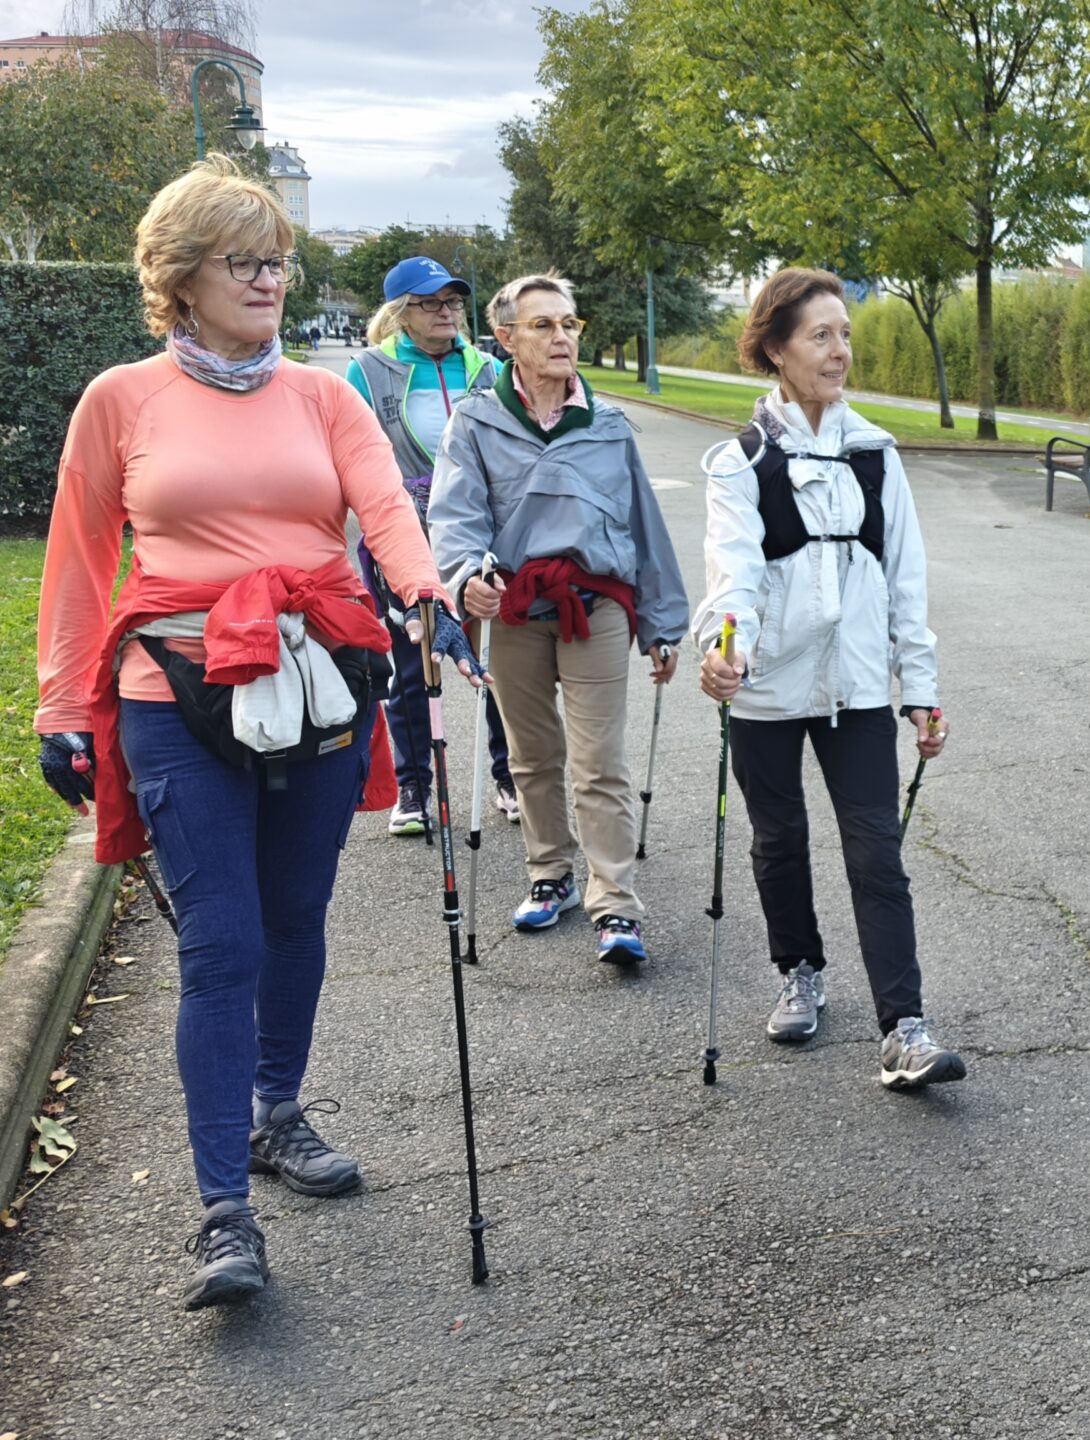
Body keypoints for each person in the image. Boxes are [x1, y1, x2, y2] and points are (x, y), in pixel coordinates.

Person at [33, 157, 476, 1309]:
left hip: (321, 682)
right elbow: (81, 560)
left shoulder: (327, 398)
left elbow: (383, 508)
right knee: (221, 943)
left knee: (295, 918)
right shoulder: (120, 401)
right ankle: (224, 1210)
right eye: (244, 259)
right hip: (170, 693)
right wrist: (58, 707)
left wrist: (425, 589)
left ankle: (279, 1111)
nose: (269, 277)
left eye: (277, 257)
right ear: (179, 279)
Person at [693, 268, 966, 1088]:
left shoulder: (877, 457)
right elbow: (731, 575)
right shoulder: (739, 464)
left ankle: (904, 1029)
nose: (840, 350)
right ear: (776, 349)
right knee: (779, 842)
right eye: (821, 335)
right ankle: (799, 971)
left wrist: (919, 690)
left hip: (857, 691)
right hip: (768, 689)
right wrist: (722, 647)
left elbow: (906, 582)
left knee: (877, 853)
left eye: (845, 333)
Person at [428, 274, 690, 962]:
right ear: (507, 340)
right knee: (532, 757)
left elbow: (644, 524)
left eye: (570, 324)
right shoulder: (477, 422)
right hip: (515, 607)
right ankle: (551, 875)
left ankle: (616, 906)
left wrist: (662, 624)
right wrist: (467, 578)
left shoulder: (606, 426)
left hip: (595, 606)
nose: (562, 337)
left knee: (599, 760)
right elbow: (454, 517)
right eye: (543, 325)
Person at [346, 256, 519, 834]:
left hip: (481, 533)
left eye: (452, 301)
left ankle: (508, 775)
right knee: (411, 664)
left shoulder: (487, 367)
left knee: (494, 657)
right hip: (403, 535)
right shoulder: (368, 372)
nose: (446, 311)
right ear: (400, 313)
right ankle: (414, 787)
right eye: (431, 302)